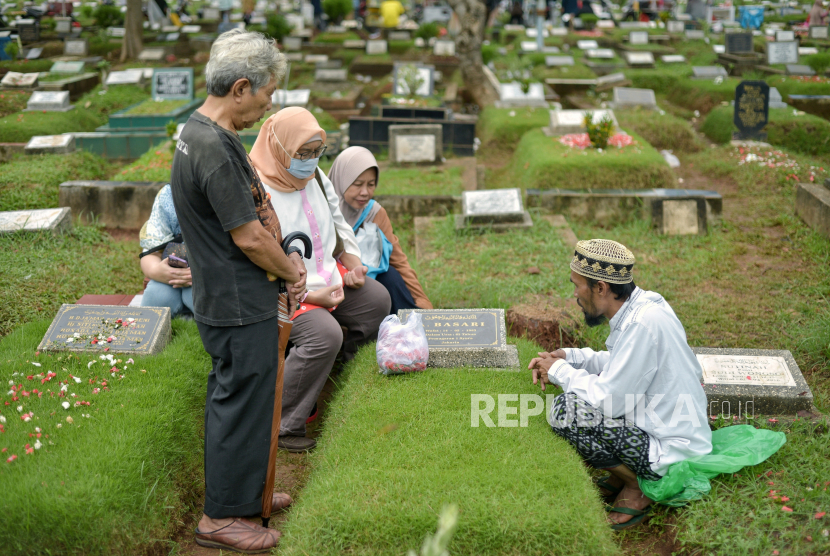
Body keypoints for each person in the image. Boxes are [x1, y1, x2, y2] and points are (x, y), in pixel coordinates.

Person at [170, 29, 305, 553]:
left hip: (228, 295)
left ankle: (248, 494)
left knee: (248, 399)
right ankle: (220, 517)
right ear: (241, 87)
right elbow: (248, 236)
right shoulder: (213, 146)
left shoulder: (200, 132)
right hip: (234, 299)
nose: (268, 107)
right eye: (268, 95)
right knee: (238, 402)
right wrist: (291, 273)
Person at [529, 239, 711, 530]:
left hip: (670, 448)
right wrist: (568, 357)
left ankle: (639, 486)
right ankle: (622, 475)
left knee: (566, 411)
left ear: (600, 288)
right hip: (662, 426)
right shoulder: (645, 307)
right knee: (575, 401)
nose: (575, 295)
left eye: (578, 286)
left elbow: (610, 400)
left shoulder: (641, 325)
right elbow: (619, 362)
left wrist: (561, 371)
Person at [249, 108, 391, 453]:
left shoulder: (315, 176)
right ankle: (283, 423)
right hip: (281, 292)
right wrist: (313, 298)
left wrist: (353, 266)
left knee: (376, 300)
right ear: (279, 147)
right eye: (302, 153)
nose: (310, 161)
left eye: (317, 152)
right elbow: (260, 256)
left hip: (327, 278)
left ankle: (339, 375)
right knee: (323, 335)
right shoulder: (255, 187)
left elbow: (339, 224)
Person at [329, 146, 433, 315]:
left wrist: (422, 300)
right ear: (341, 180)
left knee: (390, 273)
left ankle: (413, 320)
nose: (365, 192)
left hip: (366, 281)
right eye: (357, 184)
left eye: (371, 185)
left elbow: (398, 261)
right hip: (329, 286)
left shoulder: (374, 213)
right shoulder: (321, 210)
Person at [139, 184, 193, 317]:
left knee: (194, 295)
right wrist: (156, 271)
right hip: (173, 278)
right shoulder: (169, 194)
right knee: (157, 297)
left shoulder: (239, 191)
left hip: (217, 278)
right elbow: (150, 252)